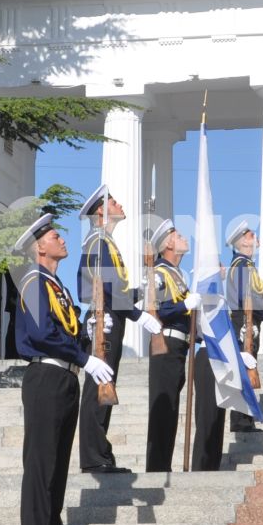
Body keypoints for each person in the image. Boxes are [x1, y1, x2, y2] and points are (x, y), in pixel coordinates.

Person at [14, 214, 114, 525]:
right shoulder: (33, 280)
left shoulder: (57, 286)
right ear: (40, 247)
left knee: (56, 463)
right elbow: (42, 334)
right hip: (46, 376)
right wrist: (83, 358)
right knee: (42, 462)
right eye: (56, 237)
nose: (62, 240)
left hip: (65, 376)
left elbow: (69, 329)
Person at [75, 185, 161, 475]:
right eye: (113, 200)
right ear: (101, 210)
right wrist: (138, 314)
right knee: (96, 391)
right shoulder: (98, 242)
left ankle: (99, 454)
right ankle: (93, 457)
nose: (119, 203)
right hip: (105, 321)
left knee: (104, 390)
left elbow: (115, 288)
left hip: (112, 316)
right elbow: (104, 288)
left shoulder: (105, 242)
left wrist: (137, 292)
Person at [142, 219, 201, 473]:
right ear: (167, 244)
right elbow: (159, 309)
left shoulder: (177, 274)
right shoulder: (159, 272)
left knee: (171, 409)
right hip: (165, 343)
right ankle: (157, 469)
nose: (183, 238)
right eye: (177, 235)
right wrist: (185, 306)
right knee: (163, 408)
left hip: (180, 346)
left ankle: (163, 466)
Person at [224, 219, 263, 433]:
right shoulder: (241, 265)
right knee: (244, 370)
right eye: (250, 235)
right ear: (242, 242)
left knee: (247, 369)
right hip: (244, 320)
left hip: (248, 319)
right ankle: (241, 421)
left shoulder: (245, 265)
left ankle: (245, 419)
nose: (255, 238)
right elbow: (245, 298)